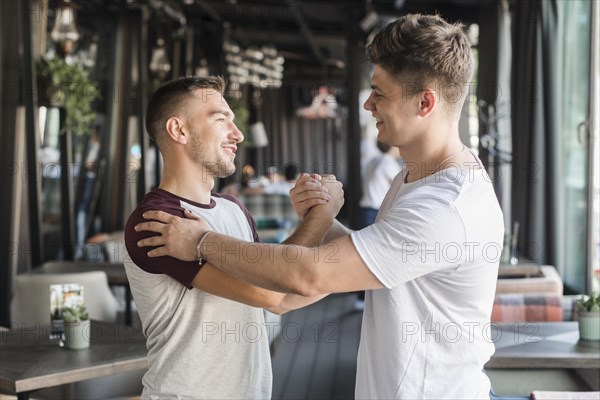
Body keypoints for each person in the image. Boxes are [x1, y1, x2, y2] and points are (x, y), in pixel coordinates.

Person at [136, 14, 504, 399]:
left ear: (425, 102)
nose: (367, 103)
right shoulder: (412, 179)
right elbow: (378, 259)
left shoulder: (446, 205)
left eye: (380, 93)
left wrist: (202, 241)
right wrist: (323, 220)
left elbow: (307, 277)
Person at [123, 76, 343, 399]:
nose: (237, 134)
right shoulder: (158, 220)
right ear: (178, 130)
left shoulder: (233, 208)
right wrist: (325, 214)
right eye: (221, 119)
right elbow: (274, 294)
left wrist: (368, 271)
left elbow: (280, 284)